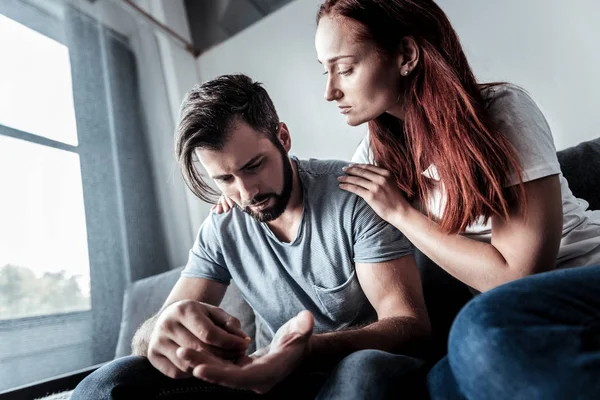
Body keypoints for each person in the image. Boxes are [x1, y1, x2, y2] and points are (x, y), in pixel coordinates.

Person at [71, 74, 431, 399]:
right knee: (109, 380)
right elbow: (157, 329)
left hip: (347, 368)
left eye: (253, 166)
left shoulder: (353, 194)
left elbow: (410, 325)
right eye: (225, 179)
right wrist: (158, 332)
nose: (245, 193)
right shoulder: (221, 226)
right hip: (263, 383)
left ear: (283, 138)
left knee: (363, 371)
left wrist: (304, 350)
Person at [311, 0, 600, 398]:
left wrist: (400, 212)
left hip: (582, 278)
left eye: (344, 68)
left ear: (406, 55)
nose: (330, 91)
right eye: (325, 71)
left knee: (476, 330)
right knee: (437, 386)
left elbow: (516, 275)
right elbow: (314, 195)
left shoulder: (502, 110)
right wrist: (239, 198)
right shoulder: (380, 154)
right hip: (505, 315)